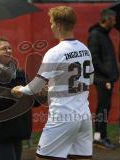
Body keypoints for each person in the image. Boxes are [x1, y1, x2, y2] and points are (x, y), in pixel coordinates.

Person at [12, 6, 94, 160]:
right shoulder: (85, 49)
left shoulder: (55, 52)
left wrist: (20, 90)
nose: (50, 27)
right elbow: (90, 80)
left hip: (63, 116)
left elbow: (35, 87)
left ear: (58, 25)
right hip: (84, 116)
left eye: (51, 23)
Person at [0, 37, 42, 160]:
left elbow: (31, 101)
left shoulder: (20, 74)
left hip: (16, 132)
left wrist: (42, 95)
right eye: (3, 48)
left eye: (9, 48)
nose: (8, 50)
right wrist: (12, 94)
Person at [87, 9, 119, 149]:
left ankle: (102, 136)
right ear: (106, 19)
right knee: (103, 107)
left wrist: (112, 73)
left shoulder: (104, 35)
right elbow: (93, 58)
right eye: (113, 19)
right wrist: (107, 73)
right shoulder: (95, 35)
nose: (115, 22)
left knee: (105, 107)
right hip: (102, 78)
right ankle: (99, 137)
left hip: (107, 78)